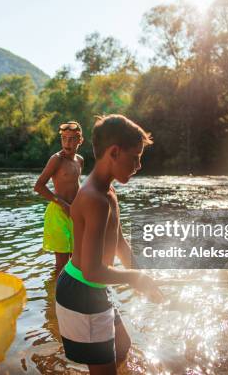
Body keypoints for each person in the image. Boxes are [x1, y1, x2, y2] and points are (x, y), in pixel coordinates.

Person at [55, 114, 164, 375]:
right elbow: (92, 271)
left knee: (123, 346)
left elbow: (119, 242)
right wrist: (135, 278)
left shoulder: (108, 192)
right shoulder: (95, 198)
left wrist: (140, 273)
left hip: (91, 289)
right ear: (114, 152)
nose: (139, 165)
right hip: (81, 292)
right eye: (136, 157)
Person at [34, 121, 84, 275]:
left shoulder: (80, 160)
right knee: (61, 265)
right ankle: (54, 297)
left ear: (79, 140)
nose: (67, 143)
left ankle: (73, 294)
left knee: (76, 260)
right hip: (58, 214)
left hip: (74, 213)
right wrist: (63, 205)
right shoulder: (56, 159)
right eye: (64, 138)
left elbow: (76, 184)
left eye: (71, 139)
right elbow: (39, 186)